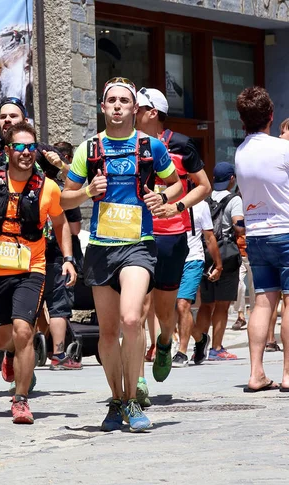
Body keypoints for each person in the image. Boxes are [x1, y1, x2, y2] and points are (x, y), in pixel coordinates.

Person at [61, 77, 181, 432]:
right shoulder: (89, 149)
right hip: (100, 248)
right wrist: (85, 191)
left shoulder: (151, 146)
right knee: (108, 333)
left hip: (138, 246)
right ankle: (116, 399)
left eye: (123, 101)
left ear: (134, 108)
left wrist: (164, 200)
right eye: (110, 100)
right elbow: (62, 198)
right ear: (102, 107)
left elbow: (176, 182)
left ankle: (132, 398)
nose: (117, 106)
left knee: (132, 320)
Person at [0, 121, 76, 424]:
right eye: (20, 147)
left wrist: (67, 258)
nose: (26, 153)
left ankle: (21, 399)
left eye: (31, 147)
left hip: (31, 268)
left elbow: (61, 224)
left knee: (24, 330)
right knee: (1, 339)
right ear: (8, 150)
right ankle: (10, 354)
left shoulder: (47, 187)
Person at [134, 87, 211, 383]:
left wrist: (177, 205)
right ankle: (137, 378)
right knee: (138, 309)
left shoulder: (180, 144)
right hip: (137, 235)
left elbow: (202, 185)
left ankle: (165, 341)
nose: (133, 113)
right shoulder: (127, 144)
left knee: (165, 311)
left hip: (171, 235)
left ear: (153, 112)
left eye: (138, 108)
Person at [235, 86, 289, 392]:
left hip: (256, 234)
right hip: (285, 230)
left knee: (262, 302)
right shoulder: (282, 149)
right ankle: (287, 374)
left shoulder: (240, 152)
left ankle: (256, 373)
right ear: (270, 116)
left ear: (242, 120)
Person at [196, 162, 244, 361]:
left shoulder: (203, 198)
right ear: (232, 179)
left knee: (206, 304)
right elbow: (238, 226)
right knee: (222, 305)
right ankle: (216, 348)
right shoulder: (234, 200)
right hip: (226, 255)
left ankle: (199, 345)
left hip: (205, 252)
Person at [45, 141, 83, 370]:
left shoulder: (30, 187)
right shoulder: (63, 191)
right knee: (58, 305)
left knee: (34, 305)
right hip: (60, 253)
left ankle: (31, 348)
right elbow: (76, 229)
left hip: (33, 252)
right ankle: (58, 354)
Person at [174, 200, 222, 367]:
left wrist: (218, 264)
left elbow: (209, 237)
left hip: (192, 260)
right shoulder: (161, 198)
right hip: (168, 260)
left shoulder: (200, 205)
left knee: (182, 306)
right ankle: (201, 339)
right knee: (170, 310)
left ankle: (181, 352)